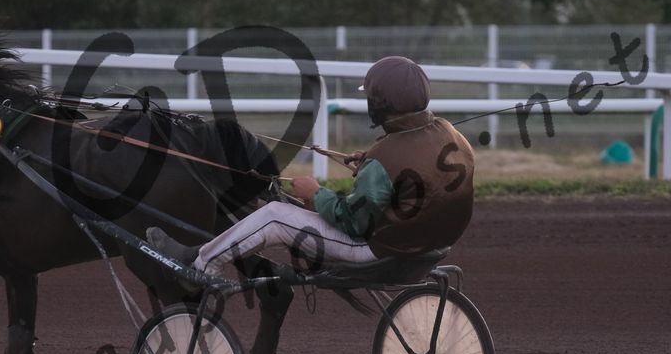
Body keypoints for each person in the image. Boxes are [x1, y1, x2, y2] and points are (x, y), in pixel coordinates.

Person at [148, 55, 475, 278]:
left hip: (383, 251)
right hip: (434, 245)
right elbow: (414, 174)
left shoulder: (384, 157)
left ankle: (200, 264)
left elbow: (353, 222)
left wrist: (316, 193)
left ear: (379, 105)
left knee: (274, 215)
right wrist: (370, 163)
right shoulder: (452, 134)